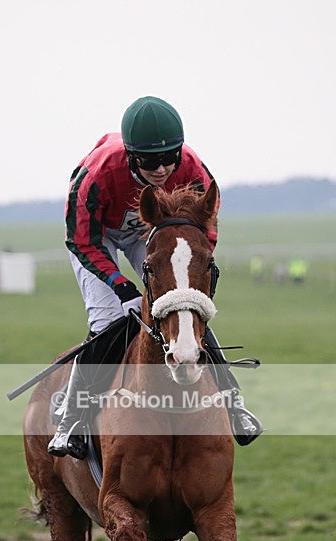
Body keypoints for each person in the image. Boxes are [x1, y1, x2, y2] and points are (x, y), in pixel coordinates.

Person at [48, 96, 262, 459]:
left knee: (184, 310)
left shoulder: (195, 171)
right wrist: (122, 285)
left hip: (153, 233)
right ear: (131, 156)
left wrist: (190, 289)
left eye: (169, 158)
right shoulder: (97, 175)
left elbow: (202, 235)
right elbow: (80, 240)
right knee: (107, 319)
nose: (162, 169)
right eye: (150, 161)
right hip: (97, 237)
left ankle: (234, 403)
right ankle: (71, 418)